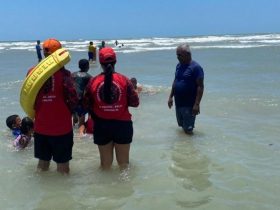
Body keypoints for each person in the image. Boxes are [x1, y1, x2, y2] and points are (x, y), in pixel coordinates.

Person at [83, 47, 139, 170]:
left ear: (100, 63)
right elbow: (135, 102)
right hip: (123, 125)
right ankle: (125, 188)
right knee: (124, 165)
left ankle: (104, 188)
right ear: (115, 62)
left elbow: (85, 104)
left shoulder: (93, 81)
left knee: (105, 165)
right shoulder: (124, 80)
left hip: (102, 126)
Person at [31, 38, 78, 174]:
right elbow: (73, 99)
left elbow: (28, 98)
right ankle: (62, 194)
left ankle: (42, 192)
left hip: (40, 127)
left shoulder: (31, 73)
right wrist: (73, 113)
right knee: (63, 167)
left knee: (42, 164)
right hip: (61, 128)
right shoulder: (65, 75)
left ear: (44, 54)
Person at [168, 44, 204, 135]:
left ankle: (191, 148)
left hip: (189, 105)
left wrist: (197, 104)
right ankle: (183, 147)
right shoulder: (178, 66)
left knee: (188, 130)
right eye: (177, 55)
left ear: (188, 54)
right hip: (179, 103)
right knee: (182, 126)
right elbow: (176, 80)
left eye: (179, 55)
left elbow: (200, 86)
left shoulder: (196, 68)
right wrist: (170, 97)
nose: (177, 57)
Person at [71, 59, 92, 135]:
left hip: (72, 100)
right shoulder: (89, 77)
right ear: (88, 67)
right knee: (81, 123)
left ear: (79, 66)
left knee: (74, 120)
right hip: (81, 101)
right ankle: (80, 138)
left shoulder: (72, 75)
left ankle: (74, 117)